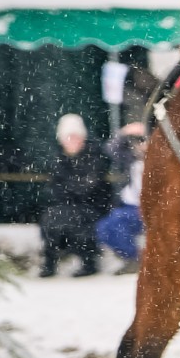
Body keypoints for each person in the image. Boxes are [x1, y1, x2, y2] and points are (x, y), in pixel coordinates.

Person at [40, 113, 113, 277]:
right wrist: (71, 191)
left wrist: (71, 190)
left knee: (77, 221)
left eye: (75, 136)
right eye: (68, 137)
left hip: (92, 206)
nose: (72, 141)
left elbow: (89, 187)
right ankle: (49, 263)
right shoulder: (58, 160)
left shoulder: (95, 156)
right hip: (67, 206)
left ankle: (88, 262)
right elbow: (55, 189)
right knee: (50, 219)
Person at [96, 121, 147, 273]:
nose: (141, 145)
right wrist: (124, 132)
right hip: (130, 207)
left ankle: (139, 260)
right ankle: (135, 258)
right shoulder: (130, 159)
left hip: (149, 209)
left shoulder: (161, 161)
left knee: (116, 223)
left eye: (144, 140)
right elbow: (110, 148)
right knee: (104, 228)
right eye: (138, 141)